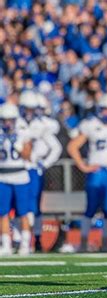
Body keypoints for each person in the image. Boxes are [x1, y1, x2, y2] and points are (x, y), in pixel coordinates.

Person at [67, 93, 107, 252]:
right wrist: (83, 165)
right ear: (99, 109)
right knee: (91, 207)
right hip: (96, 172)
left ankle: (105, 243)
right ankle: (83, 243)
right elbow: (72, 146)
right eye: (104, 109)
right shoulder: (90, 124)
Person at [17, 91, 62, 253]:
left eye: (31, 109)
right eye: (26, 109)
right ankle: (19, 238)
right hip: (16, 169)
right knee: (17, 205)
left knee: (33, 206)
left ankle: (35, 238)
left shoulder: (42, 125)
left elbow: (55, 147)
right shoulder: (15, 123)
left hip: (33, 170)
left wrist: (44, 163)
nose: (29, 113)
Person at [0, 104, 32, 256]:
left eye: (10, 120)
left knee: (23, 212)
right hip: (3, 176)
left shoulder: (22, 132)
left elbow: (28, 156)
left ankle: (25, 244)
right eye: (4, 120)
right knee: (3, 212)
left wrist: (19, 147)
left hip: (20, 176)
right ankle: (6, 244)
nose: (7, 123)